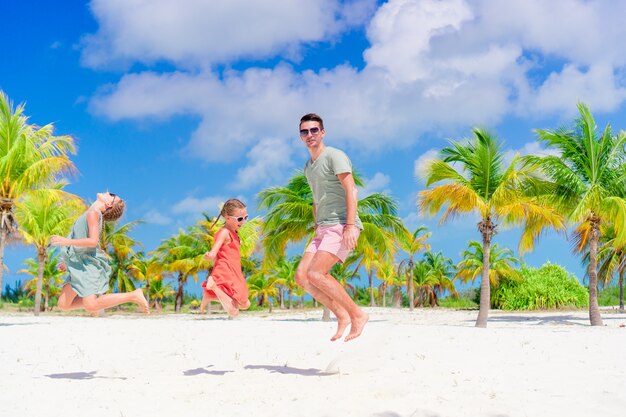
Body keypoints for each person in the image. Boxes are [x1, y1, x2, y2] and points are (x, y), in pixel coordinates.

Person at [295, 113, 369, 342]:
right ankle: (342, 315)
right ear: (300, 136)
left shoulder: (334, 156)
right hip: (323, 228)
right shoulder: (309, 166)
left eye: (314, 130)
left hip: (340, 224)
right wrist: (317, 225)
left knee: (317, 273)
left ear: (323, 132)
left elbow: (352, 190)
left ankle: (357, 315)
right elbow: (317, 198)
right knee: (301, 277)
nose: (310, 135)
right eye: (305, 131)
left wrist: (350, 226)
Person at [51, 191, 149, 315]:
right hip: (78, 264)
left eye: (112, 194)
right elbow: (82, 242)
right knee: (64, 304)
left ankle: (133, 295)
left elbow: (92, 242)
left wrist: (65, 241)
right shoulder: (90, 213)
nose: (108, 192)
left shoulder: (93, 214)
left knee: (91, 305)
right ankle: (96, 300)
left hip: (87, 265)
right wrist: (68, 262)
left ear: (108, 204)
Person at [200, 198, 251, 317]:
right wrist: (210, 255)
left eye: (245, 217)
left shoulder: (235, 234)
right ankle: (213, 286)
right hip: (225, 270)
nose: (243, 221)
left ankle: (209, 295)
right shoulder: (224, 232)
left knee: (245, 304)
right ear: (227, 217)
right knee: (234, 312)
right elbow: (215, 250)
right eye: (239, 219)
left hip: (235, 271)